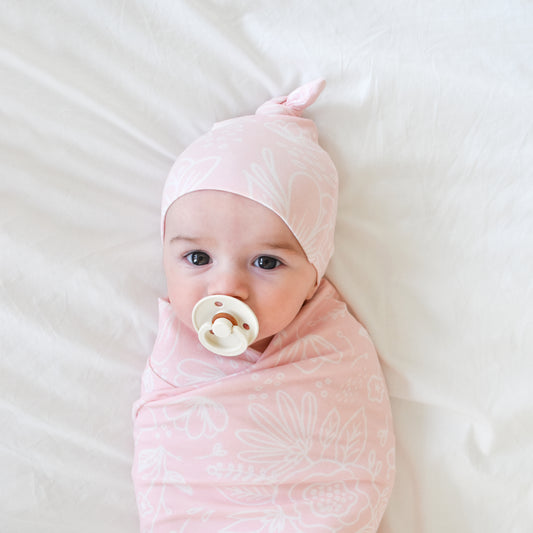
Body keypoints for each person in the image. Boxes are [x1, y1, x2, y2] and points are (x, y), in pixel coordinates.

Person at [132, 79, 395, 532]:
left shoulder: (334, 353)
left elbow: (355, 469)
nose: (228, 287)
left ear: (313, 273)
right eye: (197, 258)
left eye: (266, 262)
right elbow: (168, 468)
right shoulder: (175, 359)